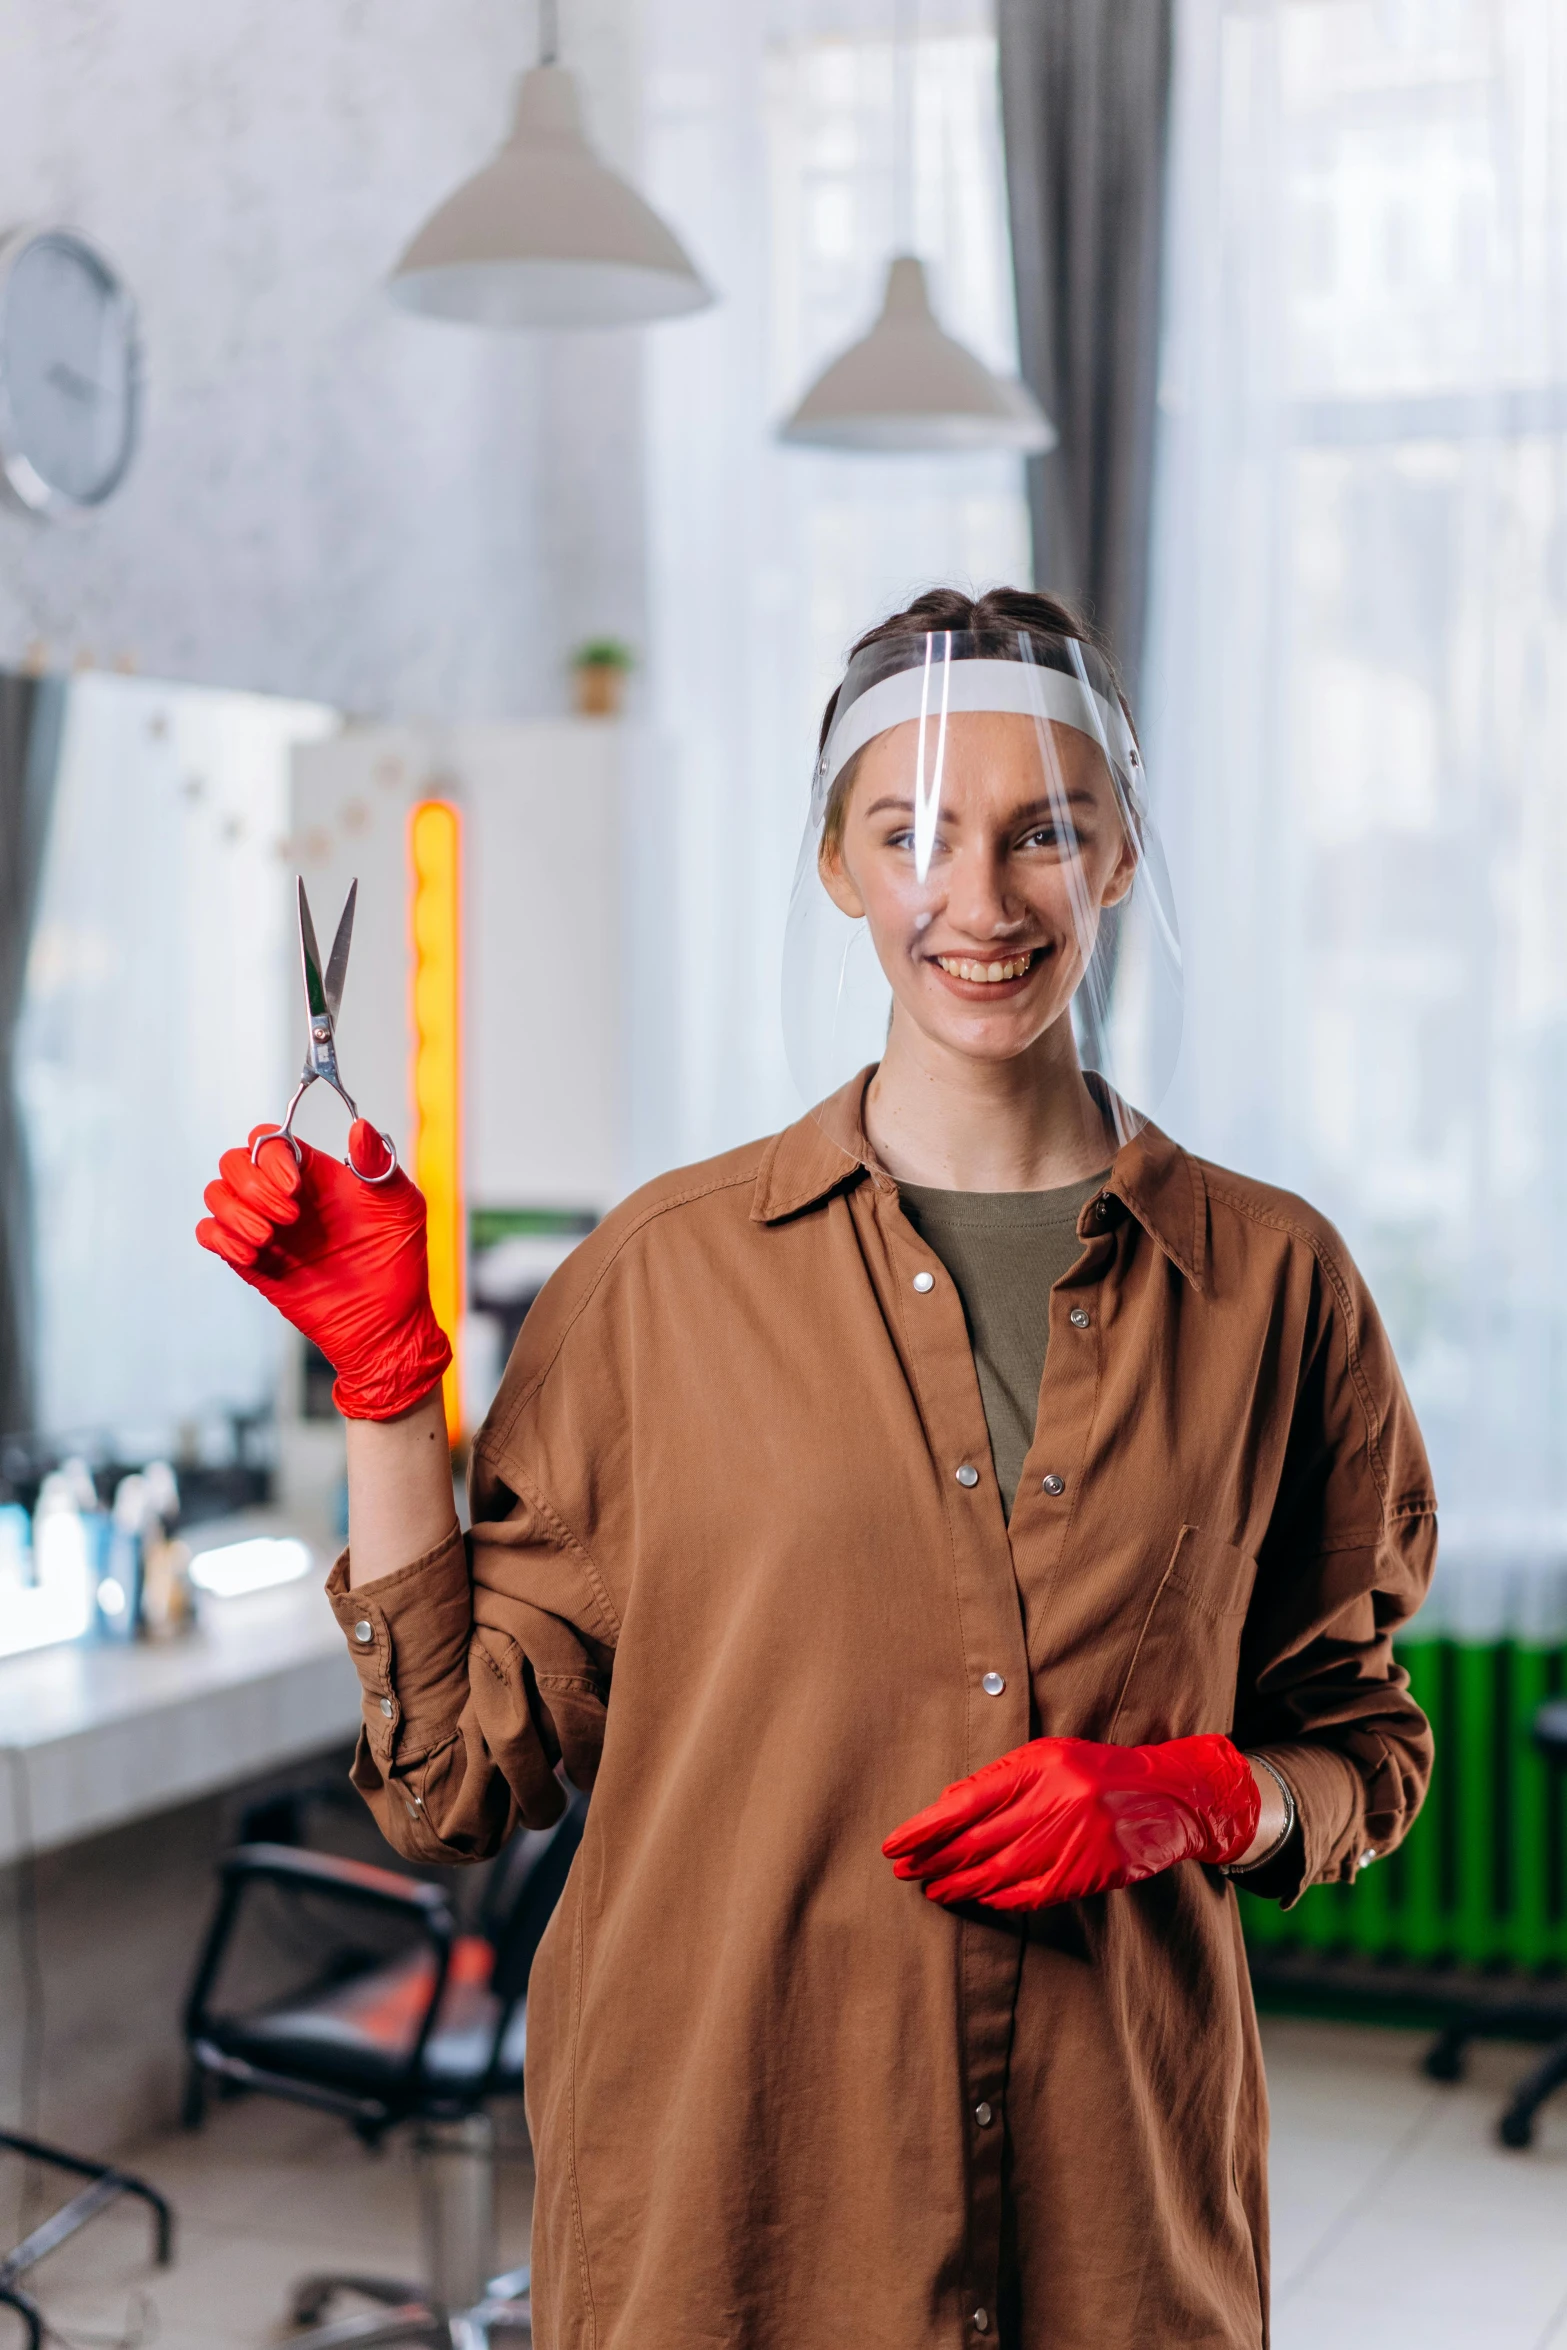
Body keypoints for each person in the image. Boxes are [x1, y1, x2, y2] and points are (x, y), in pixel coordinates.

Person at [197, 585, 1435, 2350]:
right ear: (841, 864)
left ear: (1122, 856)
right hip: (732, 2234)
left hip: (1117, 2243)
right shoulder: (654, 1279)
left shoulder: (1271, 1286)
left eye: (1044, 832)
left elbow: (1362, 1747)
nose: (980, 899)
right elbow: (450, 1787)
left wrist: (1198, 1795)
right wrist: (390, 1392)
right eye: (912, 832)